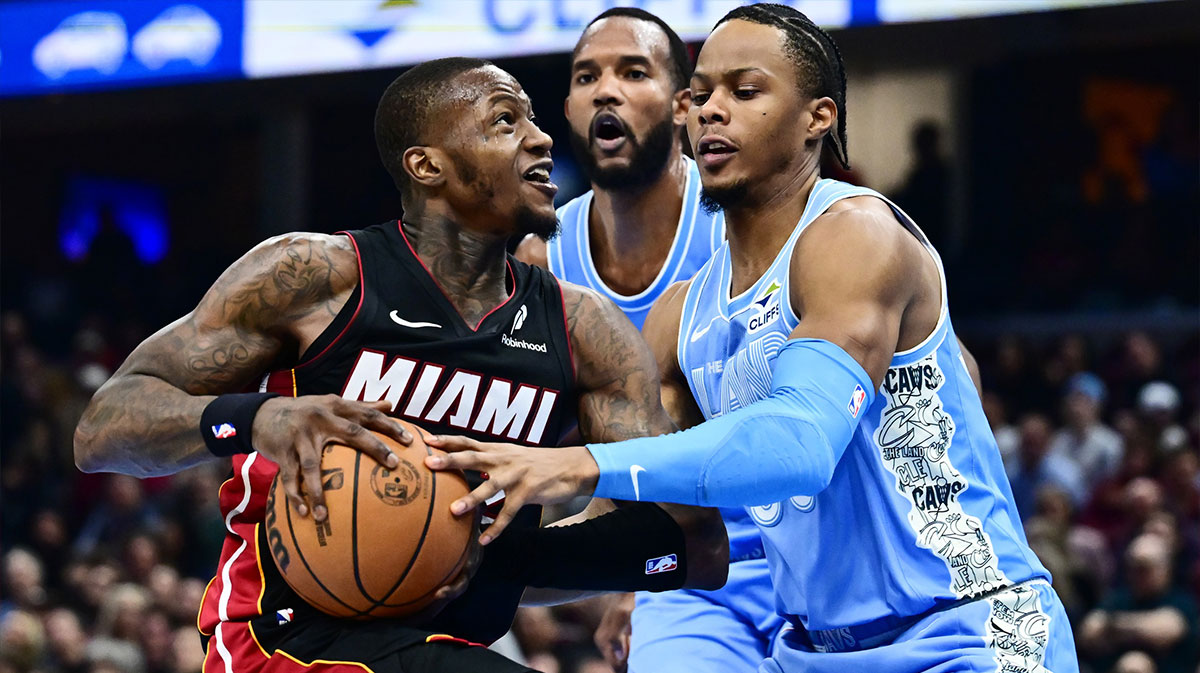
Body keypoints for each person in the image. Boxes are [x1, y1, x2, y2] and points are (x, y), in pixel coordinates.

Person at [425, 5, 1078, 672]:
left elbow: (802, 442)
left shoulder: (857, 233)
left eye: (745, 90)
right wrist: (454, 568)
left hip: (966, 628)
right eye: (704, 93)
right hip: (814, 648)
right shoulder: (680, 318)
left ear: (817, 117)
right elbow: (663, 529)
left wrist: (577, 461)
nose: (712, 110)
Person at [74, 57, 727, 673]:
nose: (542, 139)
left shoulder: (585, 330)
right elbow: (101, 429)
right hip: (283, 638)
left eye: (534, 118)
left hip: (447, 643)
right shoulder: (316, 278)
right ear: (426, 164)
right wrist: (257, 416)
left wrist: (491, 556)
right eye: (507, 120)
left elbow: (692, 543)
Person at [515, 8, 781, 673]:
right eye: (586, 77)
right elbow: (605, 459)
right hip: (690, 573)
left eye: (633, 72)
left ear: (687, 105)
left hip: (809, 547)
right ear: (570, 110)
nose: (606, 90)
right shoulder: (541, 264)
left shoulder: (747, 225)